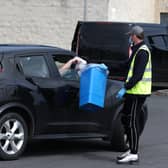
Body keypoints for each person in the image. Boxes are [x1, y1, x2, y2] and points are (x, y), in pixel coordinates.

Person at [114, 25, 152, 164]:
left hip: (138, 93)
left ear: (135, 36)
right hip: (132, 92)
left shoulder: (142, 52)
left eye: (131, 35)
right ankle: (131, 149)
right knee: (126, 119)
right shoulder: (136, 50)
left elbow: (138, 75)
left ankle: (134, 153)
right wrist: (106, 67)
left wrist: (125, 87)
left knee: (132, 122)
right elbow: (126, 65)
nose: (130, 37)